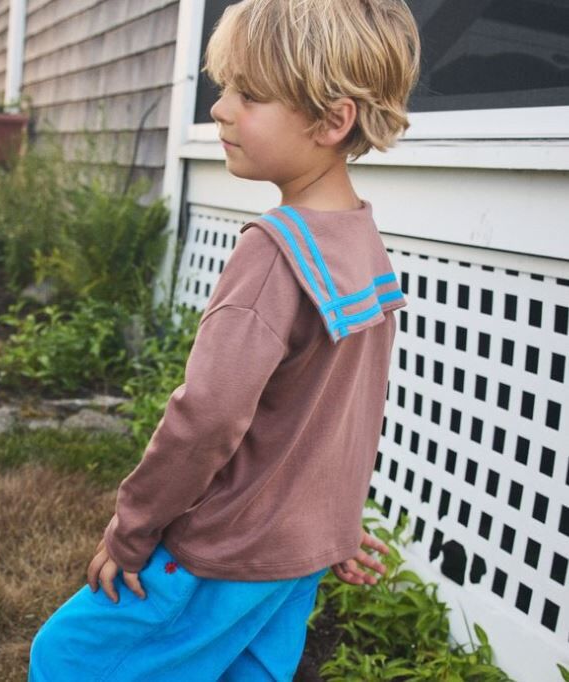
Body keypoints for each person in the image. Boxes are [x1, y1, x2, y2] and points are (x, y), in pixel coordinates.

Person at [28, 1, 421, 679]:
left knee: (66, 657)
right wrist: (332, 525)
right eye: (225, 87)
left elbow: (206, 418)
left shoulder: (274, 253)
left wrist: (132, 530)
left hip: (225, 552)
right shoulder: (363, 244)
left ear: (332, 121)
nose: (219, 109)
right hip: (290, 564)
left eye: (250, 94)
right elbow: (342, 414)